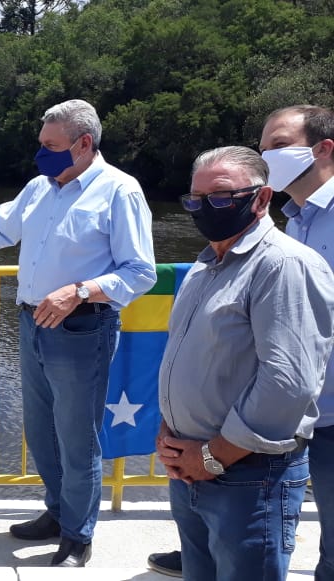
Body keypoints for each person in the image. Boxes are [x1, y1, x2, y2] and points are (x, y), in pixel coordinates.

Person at [0, 99, 156, 567]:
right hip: (32, 323)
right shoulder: (40, 188)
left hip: (82, 327)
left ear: (84, 144)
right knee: (41, 431)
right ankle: (57, 513)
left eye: (51, 146)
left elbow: (141, 272)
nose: (41, 155)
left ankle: (79, 534)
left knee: (78, 438)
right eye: (41, 145)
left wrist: (79, 292)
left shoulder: (120, 191)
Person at [146, 105, 334, 580]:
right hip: (191, 467)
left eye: (222, 195)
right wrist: (172, 433)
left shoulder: (285, 264)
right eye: (195, 200)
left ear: (260, 198)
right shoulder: (207, 264)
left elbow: (287, 383)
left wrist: (212, 456)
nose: (205, 208)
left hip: (248, 476)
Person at [261, 104, 334, 581]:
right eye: (262, 148)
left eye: (279, 145)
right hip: (302, 404)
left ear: (324, 148)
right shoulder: (296, 217)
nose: (266, 156)